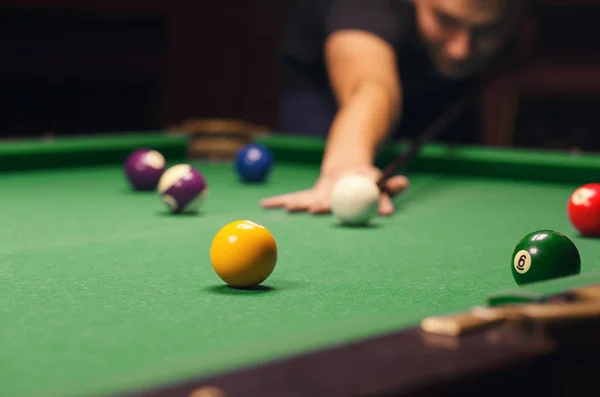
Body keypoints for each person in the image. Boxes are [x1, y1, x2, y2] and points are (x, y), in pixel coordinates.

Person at [261, 0, 530, 215]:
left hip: (436, 94)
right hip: (324, 96)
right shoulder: (366, 9)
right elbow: (371, 87)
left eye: (486, 31)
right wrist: (347, 165)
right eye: (445, 20)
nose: (461, 50)